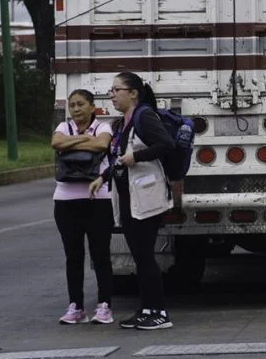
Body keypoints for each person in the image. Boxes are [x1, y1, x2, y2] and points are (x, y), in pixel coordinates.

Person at [89, 72, 175, 331]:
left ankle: (159, 312)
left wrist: (136, 158)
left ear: (133, 93)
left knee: (145, 256)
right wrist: (103, 177)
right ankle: (146, 309)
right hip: (130, 197)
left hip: (146, 197)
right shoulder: (124, 121)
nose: (112, 95)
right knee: (139, 256)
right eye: (111, 90)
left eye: (117, 90)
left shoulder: (144, 116)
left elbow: (166, 144)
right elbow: (118, 156)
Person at [51, 89, 115, 325]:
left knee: (100, 255)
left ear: (92, 107)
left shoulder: (103, 127)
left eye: (81, 104)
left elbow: (102, 145)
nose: (76, 109)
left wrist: (73, 144)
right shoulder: (63, 128)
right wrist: (84, 139)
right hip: (65, 201)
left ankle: (104, 305)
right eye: (72, 105)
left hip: (97, 200)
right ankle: (76, 306)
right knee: (73, 256)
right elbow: (56, 142)